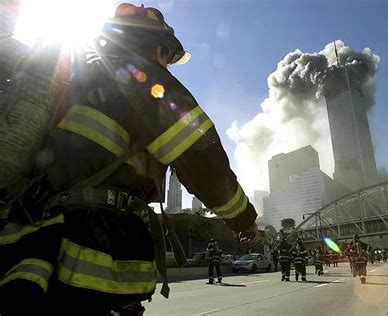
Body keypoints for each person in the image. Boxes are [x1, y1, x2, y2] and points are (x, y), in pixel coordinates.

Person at [0, 3, 258, 315]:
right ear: (159, 47)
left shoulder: (78, 80)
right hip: (91, 251)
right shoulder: (147, 81)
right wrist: (243, 218)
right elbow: (203, 162)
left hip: (32, 245)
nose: (169, 66)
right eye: (169, 57)